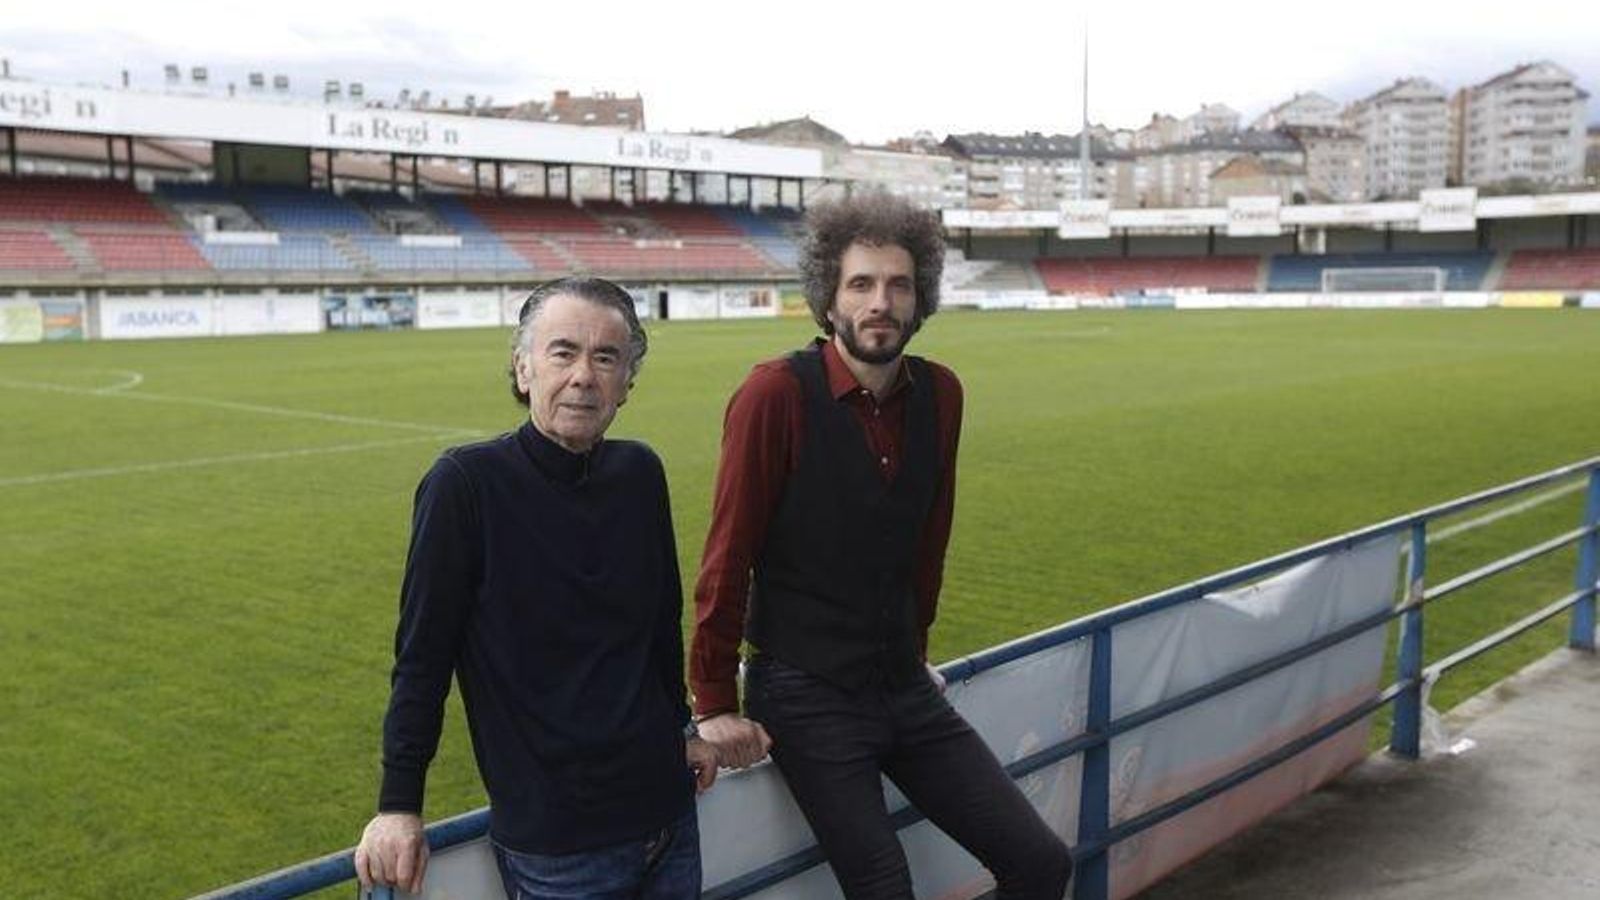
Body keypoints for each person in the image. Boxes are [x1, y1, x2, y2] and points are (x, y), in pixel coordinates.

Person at [690, 193, 1073, 899]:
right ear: (829, 298)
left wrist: (915, 649)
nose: (881, 302)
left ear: (920, 295)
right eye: (860, 284)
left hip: (901, 684)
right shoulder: (774, 394)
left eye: (898, 285)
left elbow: (928, 542)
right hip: (806, 692)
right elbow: (727, 556)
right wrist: (714, 701)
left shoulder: (942, 393)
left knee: (1042, 863)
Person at [354, 277, 717, 899]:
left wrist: (683, 729)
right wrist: (398, 805)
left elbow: (659, 626)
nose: (584, 375)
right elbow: (423, 657)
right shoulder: (464, 486)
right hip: (562, 846)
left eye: (607, 357)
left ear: (627, 381)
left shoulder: (640, 473)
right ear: (523, 369)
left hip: (669, 816)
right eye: (563, 352)